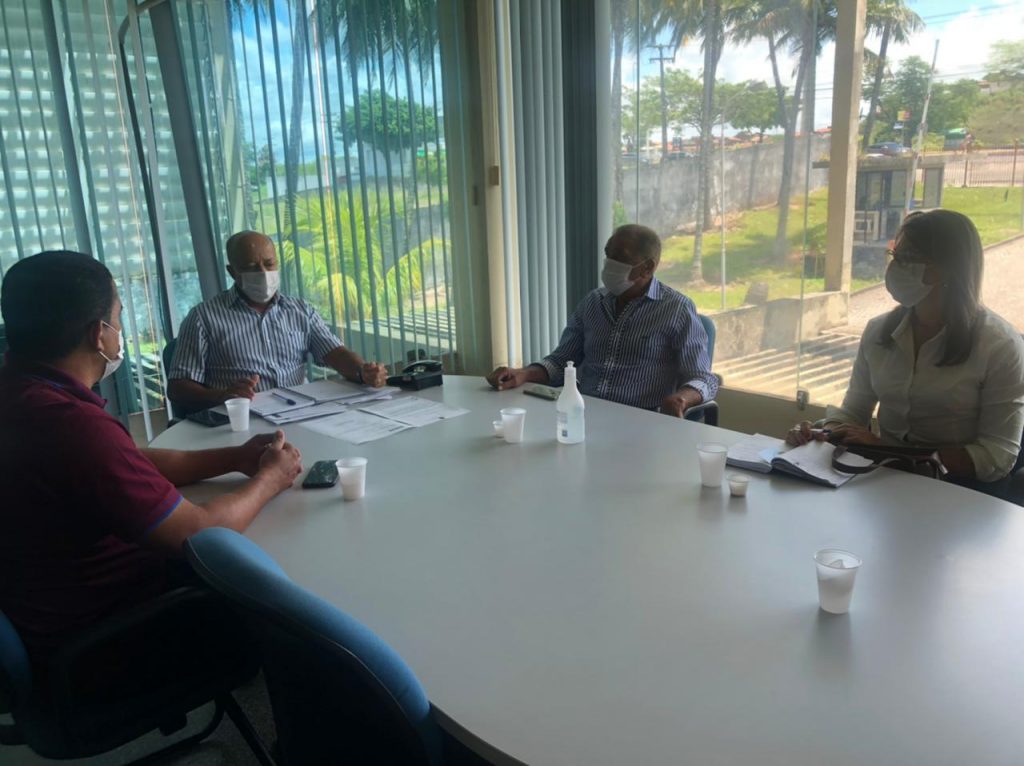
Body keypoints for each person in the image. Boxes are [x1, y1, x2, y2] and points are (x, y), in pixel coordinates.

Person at [0, 251, 303, 660]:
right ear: (99, 334)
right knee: (285, 604)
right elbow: (199, 535)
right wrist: (271, 480)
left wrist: (234, 458)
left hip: (40, 607)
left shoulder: (21, 392)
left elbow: (124, 460)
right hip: (110, 632)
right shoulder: (70, 424)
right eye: (119, 317)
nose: (121, 332)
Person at [787, 209, 1024, 486]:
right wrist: (821, 432)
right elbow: (853, 412)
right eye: (894, 255)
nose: (894, 267)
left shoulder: (1000, 346)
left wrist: (890, 451)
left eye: (907, 257)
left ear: (946, 268)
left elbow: (997, 456)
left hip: (961, 490)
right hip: (885, 478)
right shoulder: (878, 332)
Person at [486, 224, 718, 416]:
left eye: (620, 258)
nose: (609, 264)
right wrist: (523, 374)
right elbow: (562, 361)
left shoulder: (676, 309)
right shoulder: (593, 302)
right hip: (585, 413)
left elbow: (704, 379)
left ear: (647, 268)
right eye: (608, 254)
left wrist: (680, 399)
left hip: (640, 422)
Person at [168, 230, 389, 411]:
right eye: (251, 267)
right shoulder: (203, 318)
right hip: (243, 421)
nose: (263, 273)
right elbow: (178, 388)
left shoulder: (300, 310)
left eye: (269, 264)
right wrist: (223, 395)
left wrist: (362, 371)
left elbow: (336, 353)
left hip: (301, 412)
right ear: (232, 272)